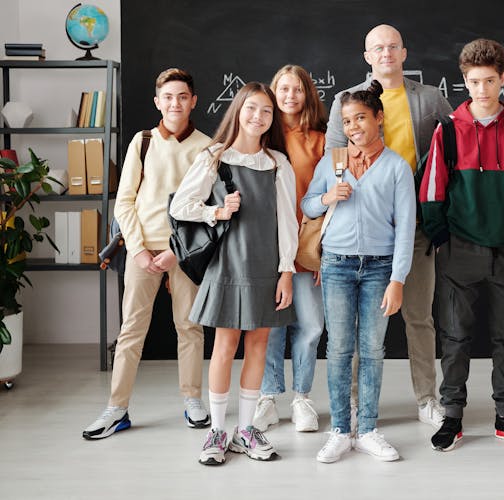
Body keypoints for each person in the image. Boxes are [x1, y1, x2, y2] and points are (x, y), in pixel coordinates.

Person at [326, 24, 504, 429]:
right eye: (377, 48)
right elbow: (335, 154)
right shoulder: (346, 101)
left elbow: (462, 128)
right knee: (355, 326)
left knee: (420, 316)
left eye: (392, 47)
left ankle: (426, 399)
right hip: (365, 227)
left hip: (415, 225)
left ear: (404, 53)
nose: (385, 53)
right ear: (367, 56)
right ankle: (350, 401)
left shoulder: (429, 97)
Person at [420, 39, 504, 452]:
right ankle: (451, 417)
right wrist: (441, 239)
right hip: (461, 250)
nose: (482, 89)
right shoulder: (448, 130)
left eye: (490, 80)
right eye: (474, 81)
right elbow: (432, 190)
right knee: (455, 338)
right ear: (464, 81)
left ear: (503, 79)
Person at [169, 82, 298, 466]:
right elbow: (181, 206)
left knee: (258, 344)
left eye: (266, 112)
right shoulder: (215, 156)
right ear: (238, 110)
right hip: (228, 264)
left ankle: (246, 430)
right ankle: (217, 432)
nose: (258, 117)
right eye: (251, 108)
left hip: (267, 265)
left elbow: (288, 223)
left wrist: (286, 271)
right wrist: (217, 212)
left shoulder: (278, 162)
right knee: (225, 346)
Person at [82, 68, 211, 440]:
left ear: (193, 101)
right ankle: (116, 409)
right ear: (158, 101)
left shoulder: (207, 147)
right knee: (130, 332)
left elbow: (205, 208)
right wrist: (138, 251)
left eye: (182, 96)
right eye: (168, 97)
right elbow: (124, 203)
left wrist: (174, 252)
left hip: (183, 253)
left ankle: (192, 400)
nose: (175, 103)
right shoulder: (142, 142)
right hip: (142, 251)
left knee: (190, 328)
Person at [303, 81, 416, 463]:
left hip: (380, 268)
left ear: (379, 118)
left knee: (372, 349)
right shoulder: (332, 161)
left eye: (361, 118)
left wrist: (397, 280)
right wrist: (325, 197)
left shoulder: (397, 168)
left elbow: (406, 229)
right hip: (336, 265)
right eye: (347, 121)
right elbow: (308, 206)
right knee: (338, 349)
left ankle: (367, 428)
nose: (353, 127)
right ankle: (339, 429)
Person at [252, 65, 327, 433]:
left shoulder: (321, 139)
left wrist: (321, 249)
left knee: (311, 326)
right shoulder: (260, 134)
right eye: (283, 88)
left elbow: (330, 196)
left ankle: (302, 397)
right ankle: (267, 397)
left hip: (307, 246)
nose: (290, 96)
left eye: (298, 89)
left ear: (307, 94)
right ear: (273, 91)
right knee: (271, 326)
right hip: (267, 247)